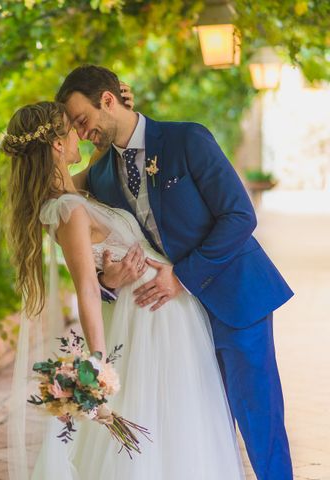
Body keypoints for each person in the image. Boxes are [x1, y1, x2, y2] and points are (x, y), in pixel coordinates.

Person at [55, 65, 294, 480]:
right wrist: (108, 280)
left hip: (236, 300)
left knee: (260, 422)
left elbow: (239, 216)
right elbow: (67, 206)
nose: (83, 132)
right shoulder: (103, 174)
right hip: (176, 325)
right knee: (206, 424)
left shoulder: (188, 139)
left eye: (83, 120)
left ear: (108, 100)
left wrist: (180, 276)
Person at [2, 101, 244, 479]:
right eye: (71, 129)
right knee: (163, 419)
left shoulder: (75, 191)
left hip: (161, 311)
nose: (80, 134)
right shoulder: (68, 209)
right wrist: (96, 369)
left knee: (176, 420)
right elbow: (85, 290)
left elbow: (112, 140)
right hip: (147, 319)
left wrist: (120, 103)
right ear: (55, 146)